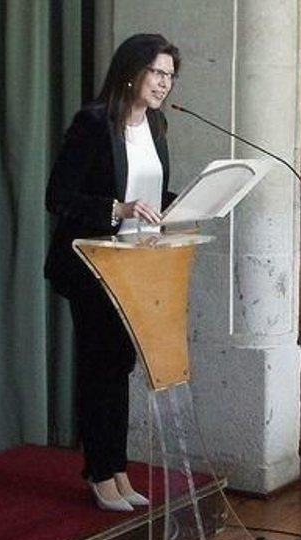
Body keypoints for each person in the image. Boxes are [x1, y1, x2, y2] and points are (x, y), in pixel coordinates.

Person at [44, 33, 181, 512]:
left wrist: (186, 204)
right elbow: (58, 197)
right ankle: (99, 473)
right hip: (91, 264)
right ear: (131, 71)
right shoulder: (93, 123)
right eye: (157, 73)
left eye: (170, 75)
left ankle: (118, 469)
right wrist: (117, 208)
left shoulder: (157, 126)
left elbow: (153, 195)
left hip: (135, 266)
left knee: (120, 365)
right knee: (98, 366)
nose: (165, 83)